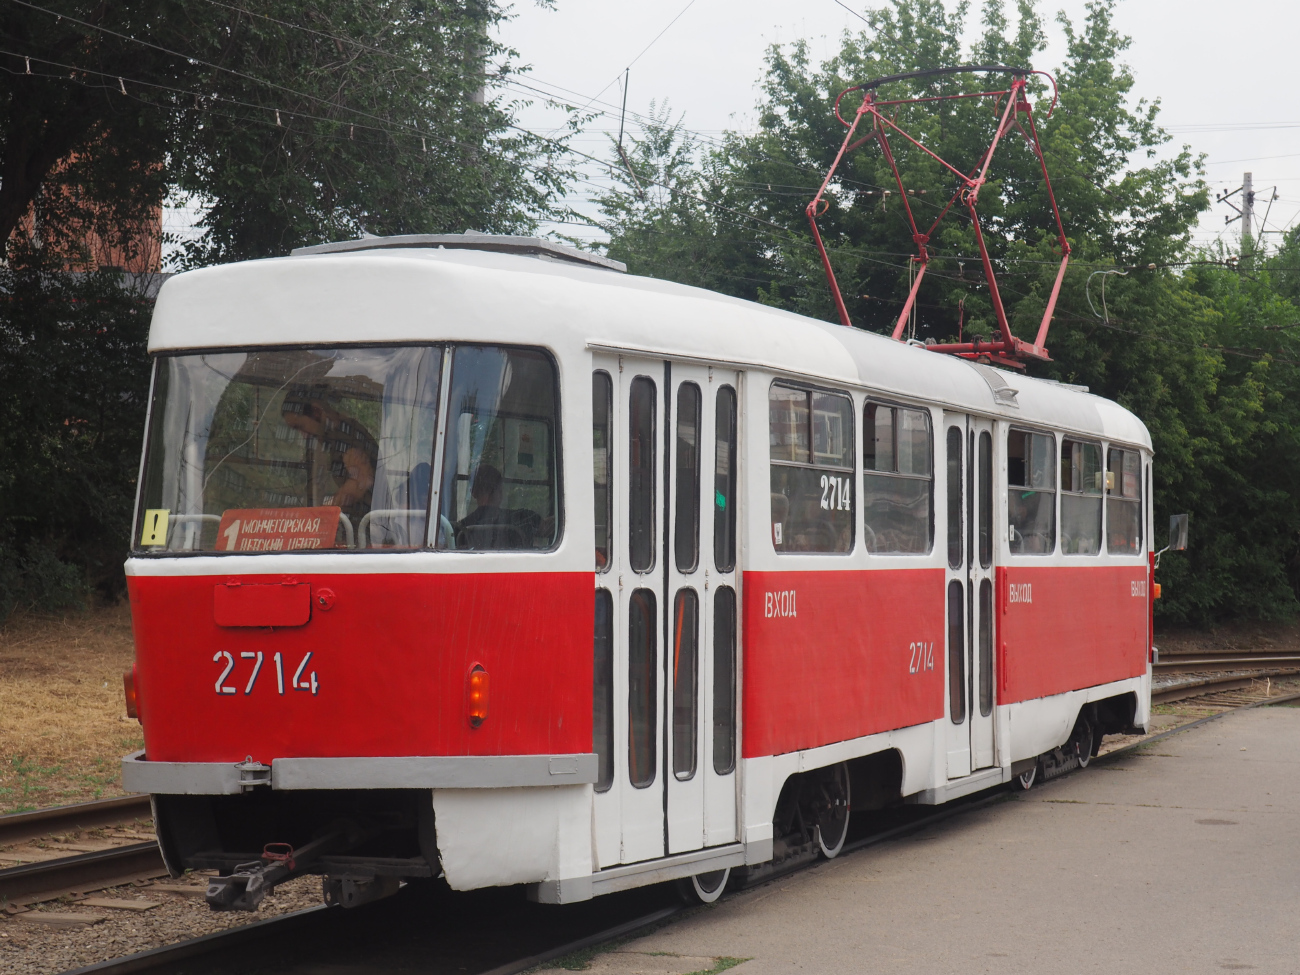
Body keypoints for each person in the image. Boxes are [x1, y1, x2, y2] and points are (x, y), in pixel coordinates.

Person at [280, 394, 378, 519]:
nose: (303, 436)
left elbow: (361, 481)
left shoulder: (347, 437)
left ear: (316, 412)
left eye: (300, 427)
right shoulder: (330, 438)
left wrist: (322, 512)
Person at [454, 464, 542, 550]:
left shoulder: (460, 529)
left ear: (472, 493)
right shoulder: (522, 518)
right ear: (499, 491)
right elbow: (547, 528)